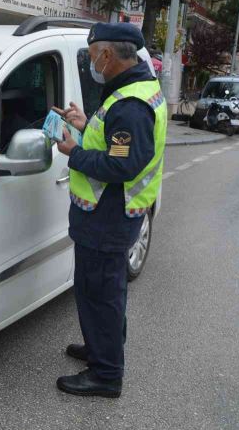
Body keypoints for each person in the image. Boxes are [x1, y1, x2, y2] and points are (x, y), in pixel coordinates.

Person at [53, 22, 167, 398]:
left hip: (107, 216)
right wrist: (86, 125)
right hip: (113, 214)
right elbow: (117, 144)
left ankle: (105, 374)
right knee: (103, 291)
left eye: (92, 54)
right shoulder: (133, 91)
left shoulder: (131, 106)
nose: (91, 61)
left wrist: (75, 152)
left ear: (107, 54)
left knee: (100, 292)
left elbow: (122, 166)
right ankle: (101, 347)